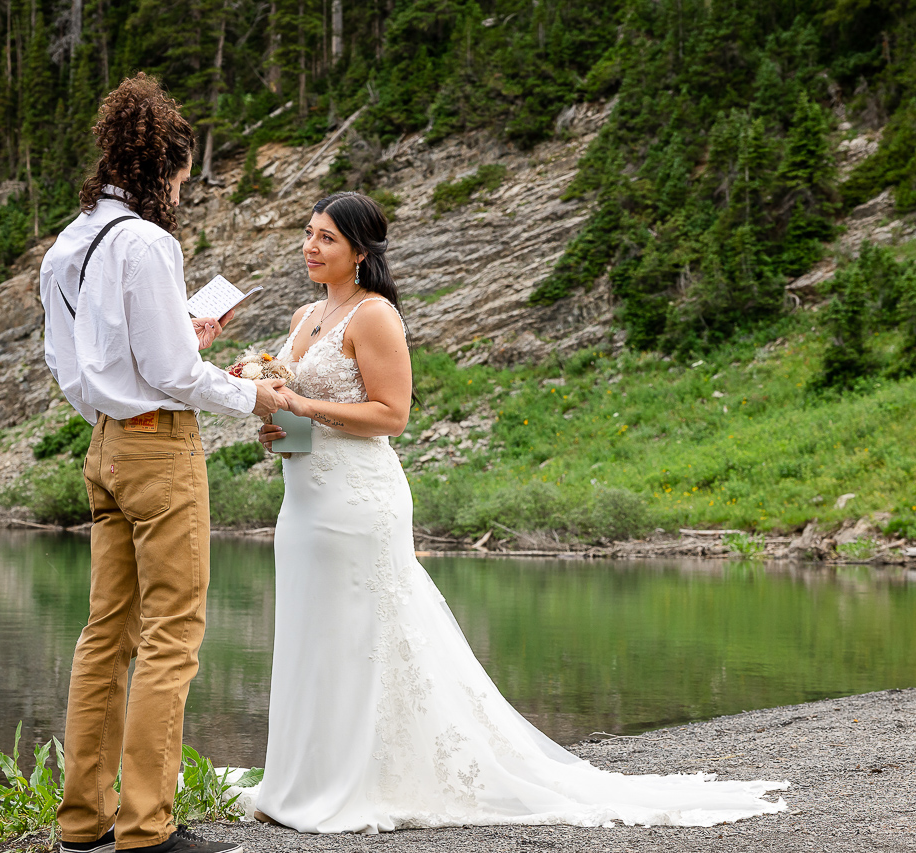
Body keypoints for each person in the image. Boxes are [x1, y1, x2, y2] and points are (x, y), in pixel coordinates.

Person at [251, 191, 788, 833]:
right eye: (309, 234)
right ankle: (307, 775)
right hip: (304, 495)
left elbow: (393, 415)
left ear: (360, 252)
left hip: (359, 498)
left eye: (326, 238)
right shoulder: (304, 314)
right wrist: (275, 421)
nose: (311, 247)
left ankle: (367, 777)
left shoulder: (375, 317)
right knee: (312, 630)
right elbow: (294, 399)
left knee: (365, 631)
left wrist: (309, 410)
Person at [40, 73, 284, 853]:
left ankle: (83, 820)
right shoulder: (148, 242)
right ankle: (147, 827)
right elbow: (175, 375)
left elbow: (72, 364)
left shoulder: (68, 244)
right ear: (161, 170)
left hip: (105, 448)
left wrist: (168, 351)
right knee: (172, 636)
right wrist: (254, 399)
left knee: (105, 633)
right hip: (159, 445)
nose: (181, 192)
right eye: (181, 179)